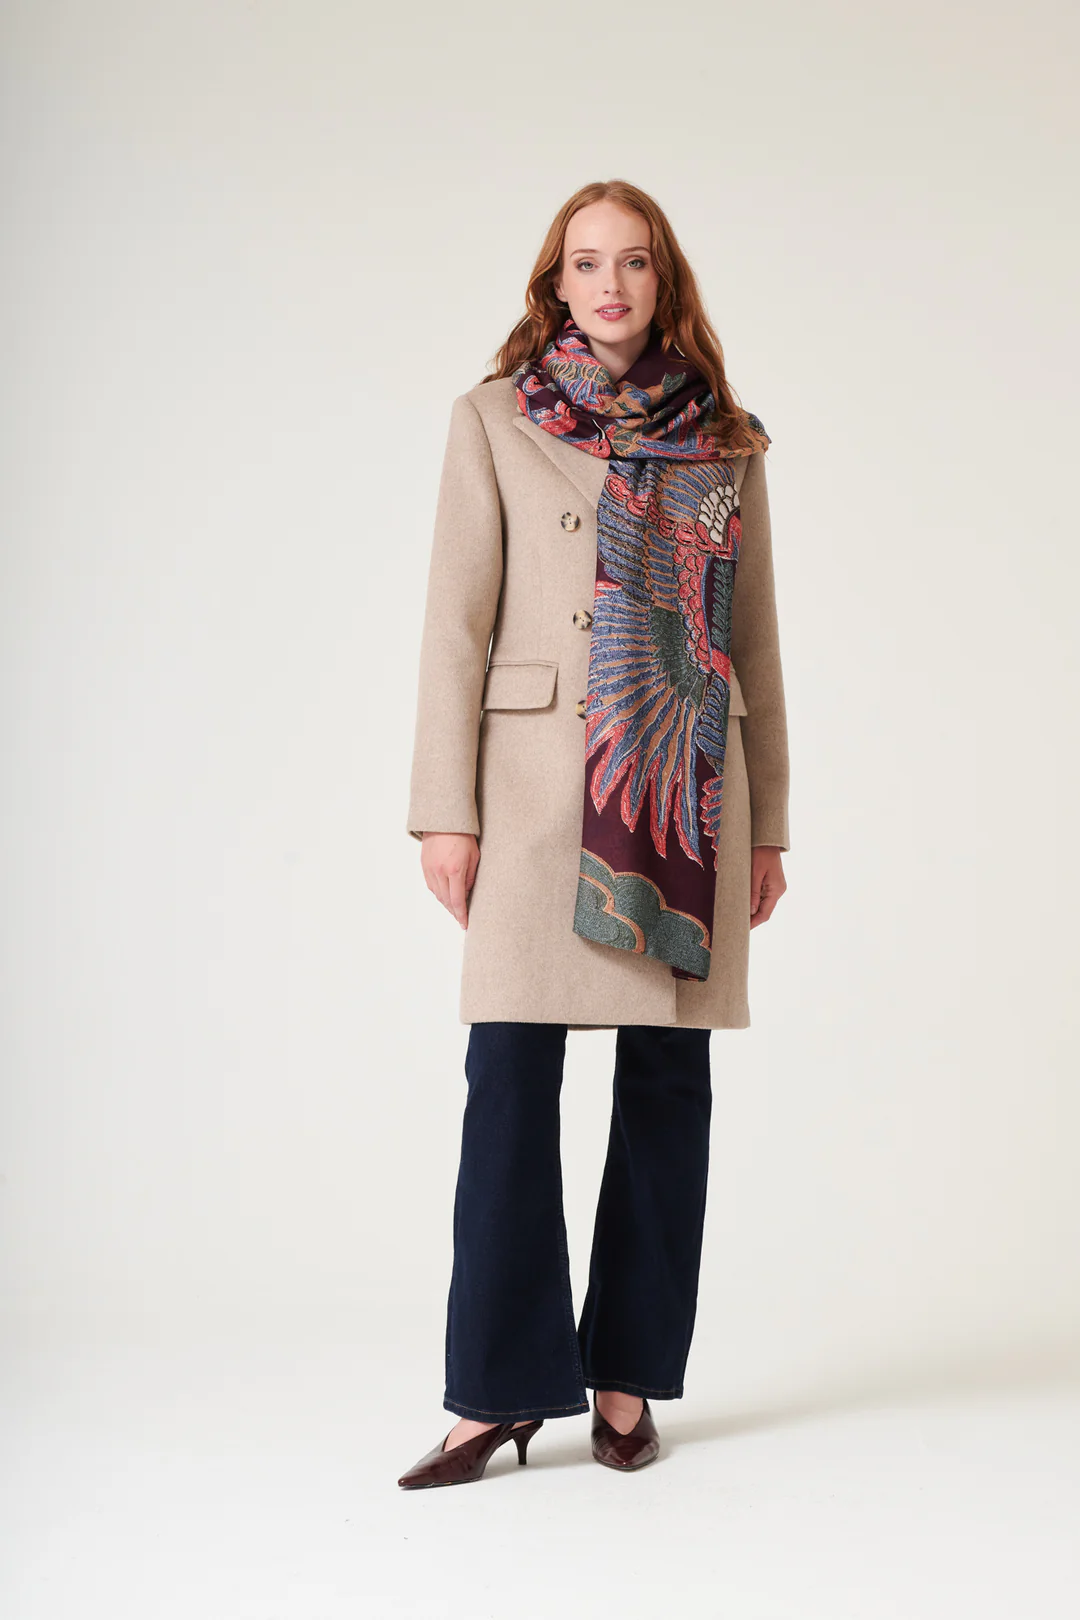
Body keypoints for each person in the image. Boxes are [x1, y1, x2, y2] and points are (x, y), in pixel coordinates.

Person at [398, 179, 790, 1489]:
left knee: (667, 1087)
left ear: (662, 279)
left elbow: (754, 644)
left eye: (632, 262)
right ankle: (493, 1392)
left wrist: (773, 823)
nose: (609, 284)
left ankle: (625, 1380)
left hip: (683, 790)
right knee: (510, 1079)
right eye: (586, 262)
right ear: (555, 282)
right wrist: (444, 810)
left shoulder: (724, 438)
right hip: (533, 793)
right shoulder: (495, 418)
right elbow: (454, 624)